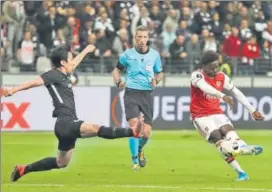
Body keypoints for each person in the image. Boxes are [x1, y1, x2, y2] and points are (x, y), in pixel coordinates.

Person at [3, 44, 144, 182]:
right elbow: (33, 82)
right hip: (66, 122)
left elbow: (75, 63)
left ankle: (23, 169)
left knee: (61, 162)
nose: (73, 61)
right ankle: (132, 132)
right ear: (63, 62)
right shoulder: (52, 74)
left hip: (65, 124)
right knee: (96, 128)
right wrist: (12, 90)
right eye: (70, 58)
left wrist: (86, 50)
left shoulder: (64, 73)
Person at [190, 50, 264, 181]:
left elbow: (237, 93)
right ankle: (241, 151)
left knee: (229, 133)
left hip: (217, 112)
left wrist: (252, 110)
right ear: (204, 66)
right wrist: (223, 96)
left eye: (217, 66)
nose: (215, 70)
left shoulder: (221, 77)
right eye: (211, 68)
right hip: (201, 116)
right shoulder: (197, 75)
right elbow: (205, 88)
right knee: (217, 138)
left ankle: (242, 169)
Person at [112, 25, 163, 170]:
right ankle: (134, 160)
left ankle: (140, 149)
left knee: (146, 133)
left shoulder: (154, 55)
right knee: (135, 127)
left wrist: (156, 80)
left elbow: (159, 73)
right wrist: (119, 81)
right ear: (135, 38)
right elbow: (116, 71)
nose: (142, 40)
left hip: (146, 95)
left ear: (148, 38)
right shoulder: (127, 55)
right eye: (139, 37)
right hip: (131, 93)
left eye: (145, 37)